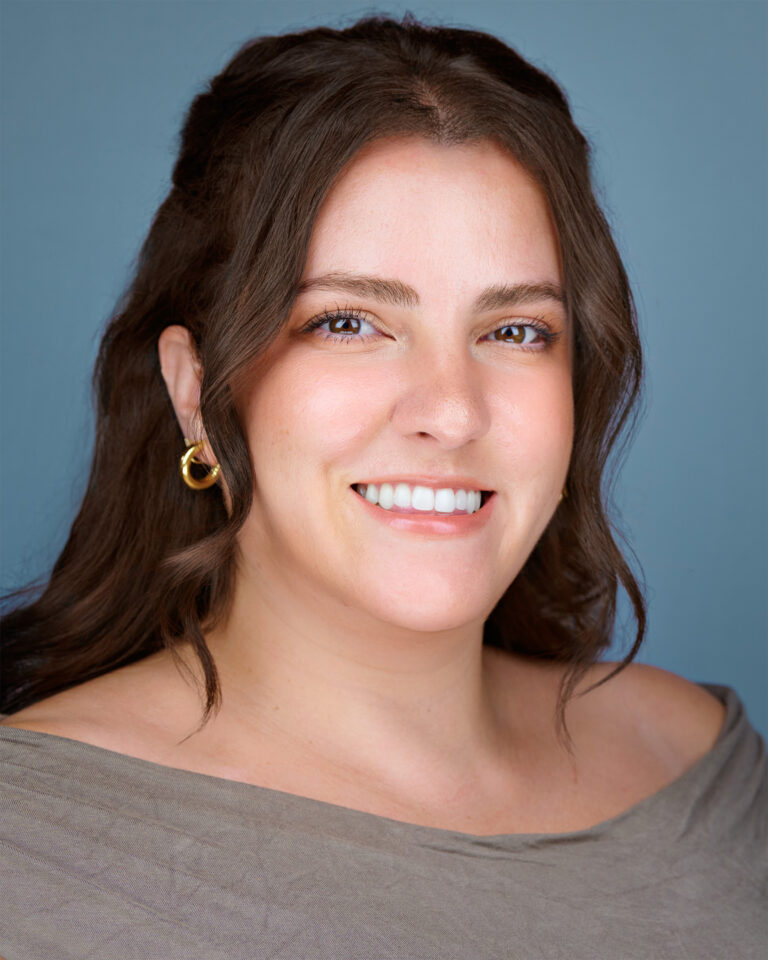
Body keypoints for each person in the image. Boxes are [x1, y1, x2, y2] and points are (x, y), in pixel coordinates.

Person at [0, 12, 765, 959]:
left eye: (517, 330)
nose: (451, 411)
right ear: (195, 392)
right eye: (349, 323)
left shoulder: (696, 764)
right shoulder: (26, 845)